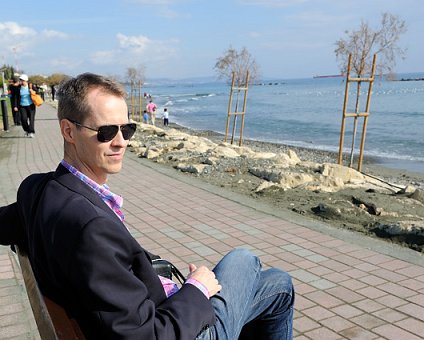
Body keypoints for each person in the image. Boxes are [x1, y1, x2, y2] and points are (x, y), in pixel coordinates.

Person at [0, 73, 294, 339]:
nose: (120, 142)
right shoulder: (92, 228)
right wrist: (197, 289)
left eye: (126, 130)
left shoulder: (36, 188)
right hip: (179, 329)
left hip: (151, 305)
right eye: (105, 132)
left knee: (278, 282)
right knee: (244, 259)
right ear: (68, 131)